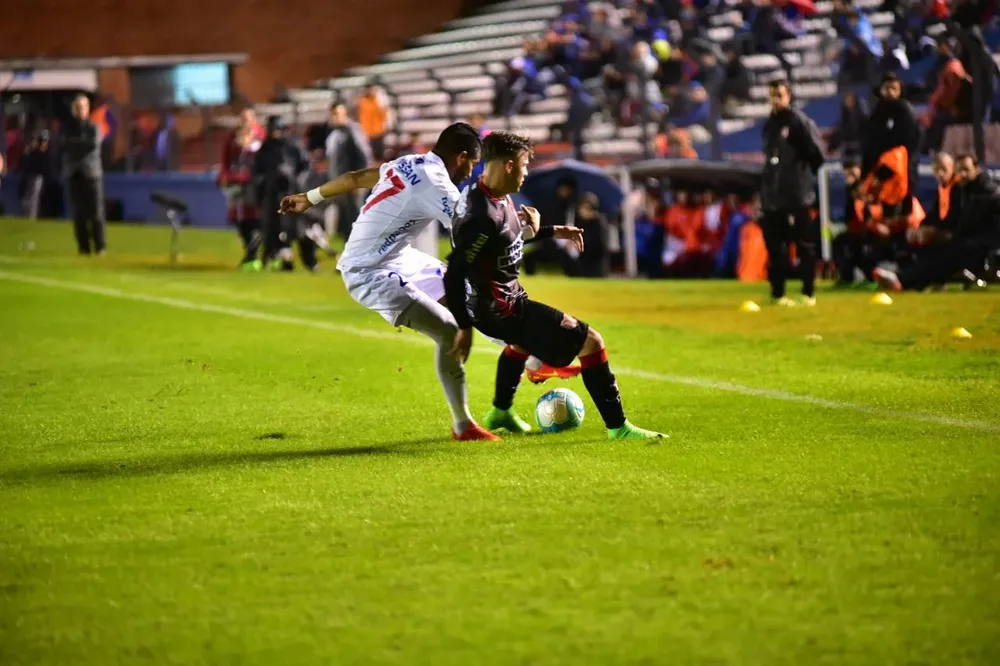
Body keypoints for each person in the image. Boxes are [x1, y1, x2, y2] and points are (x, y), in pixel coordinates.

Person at [278, 123, 498, 441]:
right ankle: (463, 426)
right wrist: (534, 230)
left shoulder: (408, 162)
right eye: (472, 164)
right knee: (449, 330)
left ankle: (529, 361)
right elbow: (479, 228)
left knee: (471, 295)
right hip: (368, 271)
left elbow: (355, 178)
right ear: (462, 157)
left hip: (399, 258)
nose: (471, 173)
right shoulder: (437, 185)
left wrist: (309, 197)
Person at [443, 130, 665, 441]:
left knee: (521, 344)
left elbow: (503, 236)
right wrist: (464, 328)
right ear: (508, 165)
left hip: (504, 298)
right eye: (524, 165)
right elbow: (455, 271)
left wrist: (550, 231)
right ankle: (619, 427)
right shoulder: (480, 215)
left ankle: (501, 411)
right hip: (499, 309)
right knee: (591, 341)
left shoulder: (490, 194)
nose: (526, 173)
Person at [875, 154, 1000, 291]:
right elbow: (941, 216)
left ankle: (902, 281)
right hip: (973, 241)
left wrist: (942, 233)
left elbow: (969, 221)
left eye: (966, 170)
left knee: (945, 253)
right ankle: (907, 281)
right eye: (959, 171)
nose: (962, 174)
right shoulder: (966, 189)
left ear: (977, 169)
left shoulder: (984, 189)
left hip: (983, 244)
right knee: (935, 250)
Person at [759, 80, 826, 306]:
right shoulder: (770, 124)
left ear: (789, 96)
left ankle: (808, 292)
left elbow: (817, 154)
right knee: (776, 245)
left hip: (797, 194)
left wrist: (800, 177)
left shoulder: (798, 121)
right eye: (772, 95)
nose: (776, 99)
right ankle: (778, 294)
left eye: (779, 95)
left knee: (804, 244)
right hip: (774, 195)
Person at [254, 116, 309, 270]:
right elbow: (257, 171)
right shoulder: (265, 149)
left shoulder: (293, 146)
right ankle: (273, 257)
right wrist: (265, 183)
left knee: (294, 228)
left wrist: (297, 183)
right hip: (271, 194)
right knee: (271, 227)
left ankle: (306, 261)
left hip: (291, 194)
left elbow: (305, 167)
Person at [62, 94, 106, 256]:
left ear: (88, 108)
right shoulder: (68, 128)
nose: (80, 110)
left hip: (91, 174)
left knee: (96, 212)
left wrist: (75, 146)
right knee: (79, 213)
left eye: (83, 107)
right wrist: (77, 145)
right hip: (74, 174)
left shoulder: (94, 127)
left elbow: (91, 146)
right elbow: (64, 145)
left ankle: (100, 246)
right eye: (78, 107)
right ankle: (83, 247)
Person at [325, 102, 374, 240]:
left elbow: (365, 156)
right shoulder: (335, 132)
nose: (335, 117)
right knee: (346, 221)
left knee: (356, 219)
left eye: (338, 114)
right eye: (333, 114)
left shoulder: (352, 130)